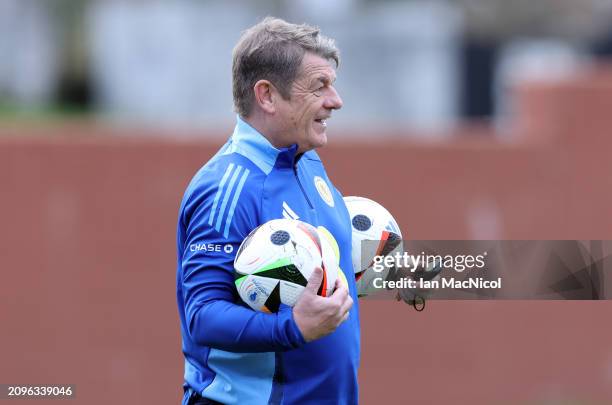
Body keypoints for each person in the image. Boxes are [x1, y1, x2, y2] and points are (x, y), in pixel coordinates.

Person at [176, 17, 359, 405]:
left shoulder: (307, 163)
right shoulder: (226, 187)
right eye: (319, 86)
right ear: (267, 96)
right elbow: (204, 315)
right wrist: (293, 327)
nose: (335, 100)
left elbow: (309, 276)